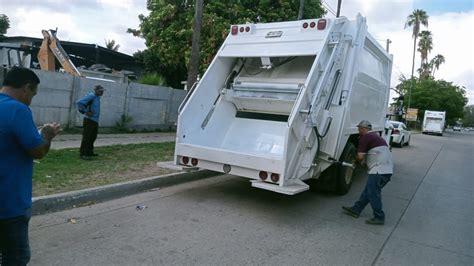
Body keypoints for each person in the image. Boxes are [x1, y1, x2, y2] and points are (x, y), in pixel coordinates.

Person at [0, 67, 61, 265]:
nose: (31, 100)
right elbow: (38, 151)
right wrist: (47, 134)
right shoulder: (17, 109)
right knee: (16, 258)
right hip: (9, 204)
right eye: (32, 94)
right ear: (26, 88)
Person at [342, 120, 393, 225]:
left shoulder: (365, 138)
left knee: (373, 193)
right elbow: (373, 155)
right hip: (386, 170)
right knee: (368, 192)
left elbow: (360, 157)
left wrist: (354, 161)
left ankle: (379, 217)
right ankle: (356, 209)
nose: (358, 131)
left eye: (359, 129)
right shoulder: (377, 137)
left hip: (379, 171)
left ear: (363, 129)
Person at [76, 85, 104, 160]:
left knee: (92, 137)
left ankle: (89, 152)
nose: (102, 92)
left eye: (102, 91)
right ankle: (83, 154)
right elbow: (79, 103)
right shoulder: (91, 96)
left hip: (94, 120)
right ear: (96, 90)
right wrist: (86, 111)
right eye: (100, 91)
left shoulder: (97, 97)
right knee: (87, 137)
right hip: (89, 120)